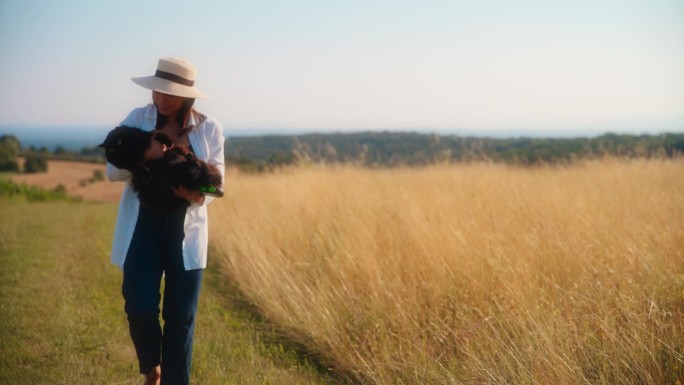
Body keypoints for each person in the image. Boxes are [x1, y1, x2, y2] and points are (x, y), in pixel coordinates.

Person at [105, 57, 225, 385]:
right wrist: (145, 154)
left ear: (188, 95)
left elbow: (218, 185)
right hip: (142, 225)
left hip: (185, 231)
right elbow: (111, 170)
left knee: (181, 320)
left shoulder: (210, 127)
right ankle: (151, 368)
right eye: (158, 90)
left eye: (170, 92)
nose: (162, 97)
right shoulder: (138, 119)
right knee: (139, 304)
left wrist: (196, 194)